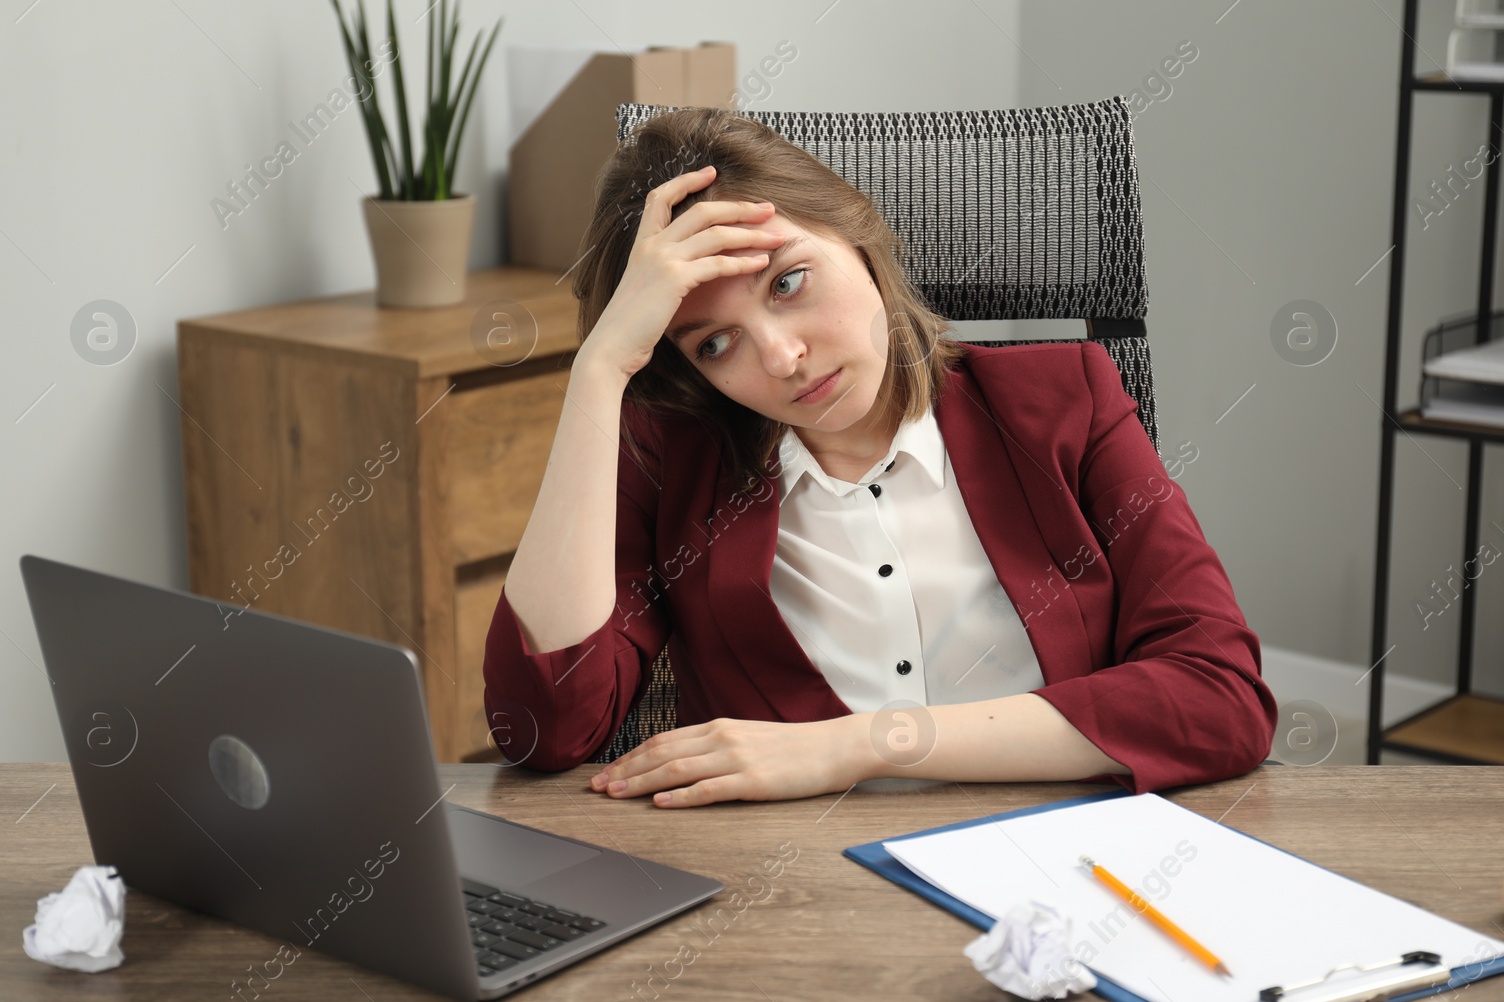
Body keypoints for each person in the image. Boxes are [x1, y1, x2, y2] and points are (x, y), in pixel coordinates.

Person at [482, 106, 1277, 808]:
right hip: (802, 893)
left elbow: (1220, 698)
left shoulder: (1066, 398)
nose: (784, 356)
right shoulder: (674, 458)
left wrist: (855, 744)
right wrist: (598, 372)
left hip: (1061, 863)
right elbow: (545, 727)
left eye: (789, 282)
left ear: (856, 232)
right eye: (716, 343)